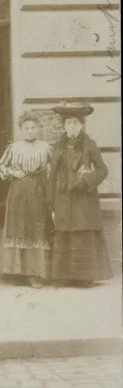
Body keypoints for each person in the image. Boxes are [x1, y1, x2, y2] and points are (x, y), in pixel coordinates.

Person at [48, 102, 112, 287]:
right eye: (69, 123)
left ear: (82, 125)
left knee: (82, 234)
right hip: (62, 199)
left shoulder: (89, 144)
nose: (72, 126)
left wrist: (86, 181)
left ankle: (84, 278)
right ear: (64, 125)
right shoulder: (57, 147)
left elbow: (102, 170)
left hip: (84, 199)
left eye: (76, 123)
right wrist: (51, 204)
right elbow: (52, 177)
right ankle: (63, 276)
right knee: (64, 234)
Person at [0, 111, 52, 288]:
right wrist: (13, 172)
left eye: (33, 127)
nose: (30, 131)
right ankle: (14, 271)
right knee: (17, 226)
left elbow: (54, 169)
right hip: (18, 191)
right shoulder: (14, 147)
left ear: (38, 128)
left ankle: (33, 273)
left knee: (35, 227)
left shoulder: (46, 147)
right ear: (21, 129)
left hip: (38, 191)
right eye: (26, 128)